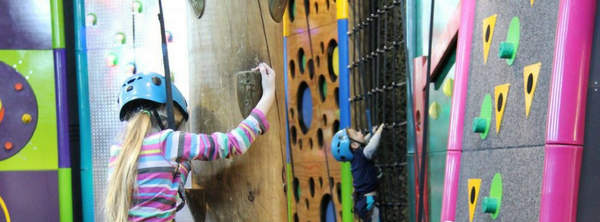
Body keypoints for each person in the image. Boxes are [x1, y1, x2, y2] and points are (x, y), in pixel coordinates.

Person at [105, 63, 277, 222]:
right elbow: (234, 143)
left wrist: (185, 160)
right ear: (166, 113)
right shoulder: (168, 141)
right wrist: (268, 96)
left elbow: (166, 187)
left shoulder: (118, 154)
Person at [331, 124, 385, 222]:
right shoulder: (360, 156)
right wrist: (380, 130)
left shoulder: (356, 157)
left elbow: (364, 142)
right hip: (368, 202)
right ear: (354, 145)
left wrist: (372, 133)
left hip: (364, 202)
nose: (360, 132)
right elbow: (371, 146)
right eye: (357, 133)